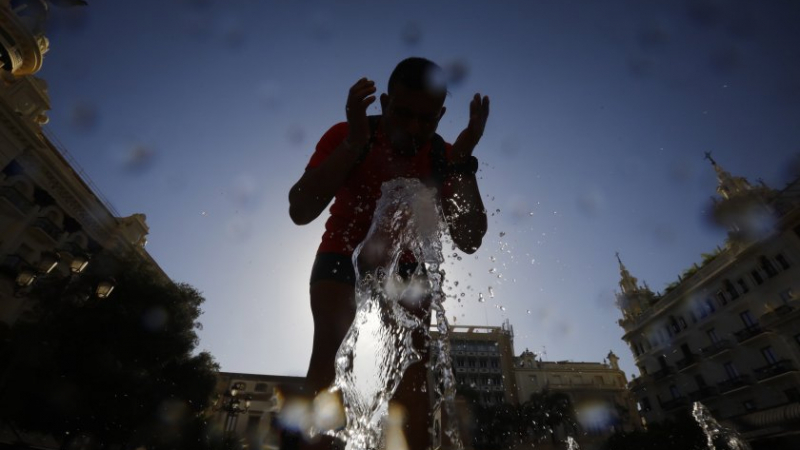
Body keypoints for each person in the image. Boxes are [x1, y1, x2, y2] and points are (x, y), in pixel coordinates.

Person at [288, 57, 489, 450]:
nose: (413, 128)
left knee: (412, 383)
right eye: (403, 113)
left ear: (441, 116)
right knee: (329, 369)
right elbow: (300, 210)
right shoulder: (350, 134)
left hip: (407, 267)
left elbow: (469, 238)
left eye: (426, 120)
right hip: (342, 253)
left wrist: (462, 163)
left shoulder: (443, 156)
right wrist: (353, 145)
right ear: (383, 101)